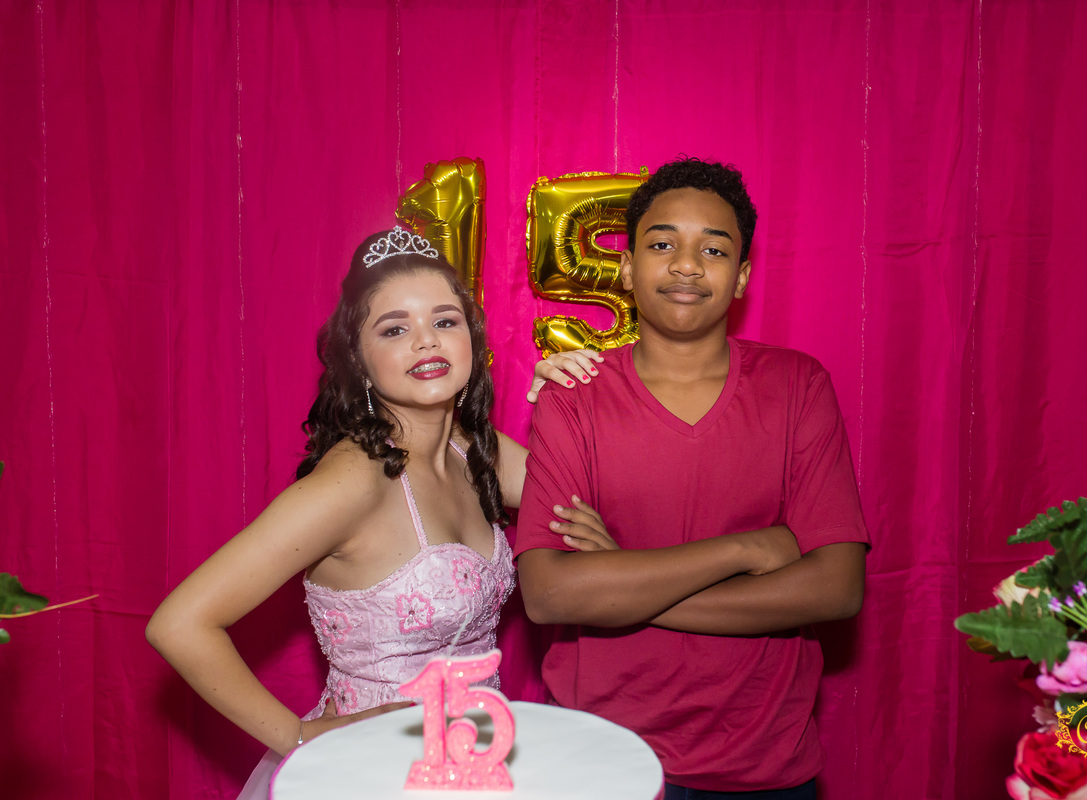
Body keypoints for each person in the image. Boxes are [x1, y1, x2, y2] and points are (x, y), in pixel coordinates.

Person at [145, 226, 600, 797]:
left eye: (444, 321)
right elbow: (180, 624)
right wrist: (299, 736)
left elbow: (588, 495)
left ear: (472, 340)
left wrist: (569, 400)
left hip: (475, 764)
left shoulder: (473, 450)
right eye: (395, 329)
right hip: (372, 774)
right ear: (358, 361)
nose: (426, 342)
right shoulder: (352, 482)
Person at [515, 157, 870, 799]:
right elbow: (550, 595)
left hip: (763, 764)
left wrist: (624, 579)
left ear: (742, 277)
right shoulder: (574, 396)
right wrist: (747, 549)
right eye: (662, 245)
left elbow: (837, 587)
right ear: (627, 268)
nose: (686, 265)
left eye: (713, 249)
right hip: (601, 758)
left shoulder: (797, 386)